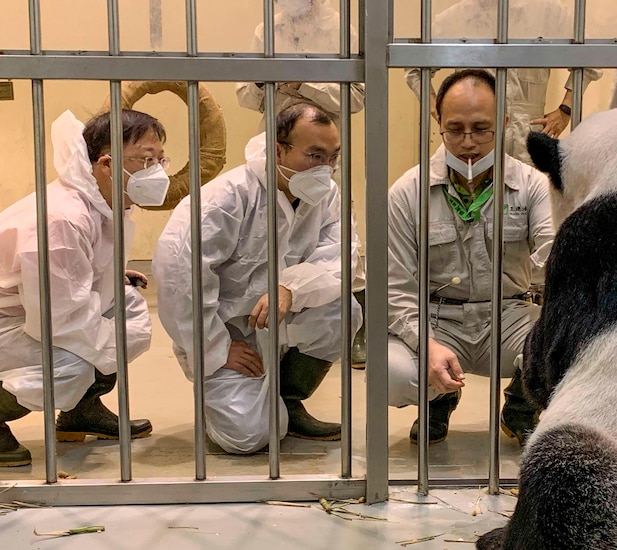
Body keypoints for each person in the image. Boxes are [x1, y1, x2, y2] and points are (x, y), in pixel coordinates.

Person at [153, 102, 361, 455]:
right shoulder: (226, 198)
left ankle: (288, 398)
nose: (326, 169)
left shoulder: (327, 197)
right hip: (228, 331)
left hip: (283, 314)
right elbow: (179, 279)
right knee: (247, 437)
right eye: (314, 155)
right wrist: (215, 347)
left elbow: (341, 257)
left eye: (332, 156)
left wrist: (292, 287)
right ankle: (226, 392)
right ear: (278, 149)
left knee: (344, 310)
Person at [388, 69, 556, 447]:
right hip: (437, 318)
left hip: (509, 315)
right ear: (438, 123)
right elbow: (394, 289)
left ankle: (521, 404)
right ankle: (439, 398)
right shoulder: (407, 192)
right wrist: (426, 344)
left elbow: (554, 254)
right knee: (391, 374)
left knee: (577, 347)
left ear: (505, 123)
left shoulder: (532, 186)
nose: (468, 143)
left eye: (482, 129)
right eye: (455, 129)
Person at [0, 109, 167, 467]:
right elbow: (61, 318)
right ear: (107, 164)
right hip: (13, 318)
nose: (158, 171)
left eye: (160, 159)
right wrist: (103, 345)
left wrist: (110, 276)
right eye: (147, 160)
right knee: (73, 361)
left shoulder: (102, 200)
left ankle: (81, 411)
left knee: (125, 310)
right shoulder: (62, 217)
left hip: (31, 308)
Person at [235, 0, 369, 370]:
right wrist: (262, 82)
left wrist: (302, 82)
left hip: (318, 152)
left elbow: (357, 95)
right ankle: (264, 316)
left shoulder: (343, 30)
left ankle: (354, 327)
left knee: (334, 233)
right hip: (277, 150)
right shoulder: (267, 29)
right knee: (269, 227)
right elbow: (244, 95)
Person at [404, 0, 601, 163]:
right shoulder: (458, 16)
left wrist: (566, 110)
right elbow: (414, 66)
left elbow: (592, 58)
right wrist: (437, 109)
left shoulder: (548, 13)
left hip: (527, 137)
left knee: (528, 203)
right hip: (471, 136)